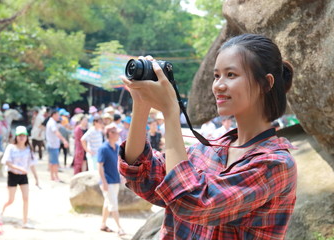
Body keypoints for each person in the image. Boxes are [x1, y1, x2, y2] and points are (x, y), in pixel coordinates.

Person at [119, 33, 297, 239]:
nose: (219, 85)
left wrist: (170, 112)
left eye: (231, 75)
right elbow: (142, 177)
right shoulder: (207, 149)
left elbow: (193, 203)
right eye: (216, 76)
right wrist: (141, 105)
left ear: (266, 84)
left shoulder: (276, 164)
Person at [0, 126, 39, 229]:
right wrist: (19, 168)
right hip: (13, 175)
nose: (22, 138)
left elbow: (32, 164)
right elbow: (7, 162)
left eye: (24, 136)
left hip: (23, 176)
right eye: (20, 136)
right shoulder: (11, 148)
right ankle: (2, 211)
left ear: (26, 137)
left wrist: (36, 178)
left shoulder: (28, 149)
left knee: (26, 198)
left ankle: (25, 221)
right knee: (11, 199)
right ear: (16, 137)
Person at [98, 123, 124, 236]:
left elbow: (118, 164)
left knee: (108, 204)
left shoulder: (117, 147)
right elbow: (100, 166)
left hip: (115, 180)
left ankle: (103, 224)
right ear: (110, 134)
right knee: (113, 204)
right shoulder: (103, 148)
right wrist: (104, 182)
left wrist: (122, 176)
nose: (118, 134)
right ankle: (119, 228)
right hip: (108, 181)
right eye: (116, 132)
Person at [45, 110, 69, 182]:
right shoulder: (52, 123)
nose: (59, 117)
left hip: (51, 144)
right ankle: (56, 177)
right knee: (55, 162)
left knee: (52, 162)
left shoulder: (51, 122)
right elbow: (56, 132)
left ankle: (52, 176)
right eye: (58, 115)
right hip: (53, 145)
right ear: (54, 115)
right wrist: (64, 140)